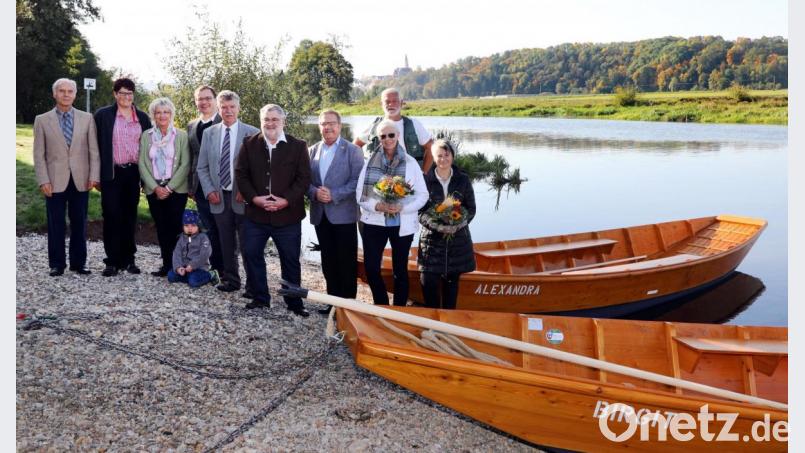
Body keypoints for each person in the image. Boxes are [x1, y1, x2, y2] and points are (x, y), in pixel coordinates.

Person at [235, 104, 312, 317]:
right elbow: (241, 174)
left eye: (274, 119)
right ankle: (261, 298)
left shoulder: (298, 146)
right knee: (251, 253)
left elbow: (304, 178)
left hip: (287, 216)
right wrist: (254, 199)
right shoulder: (249, 144)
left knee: (289, 260)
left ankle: (294, 303)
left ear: (283, 122)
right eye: (266, 119)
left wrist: (286, 200)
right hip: (256, 215)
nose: (270, 123)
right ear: (261, 121)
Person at [356, 119, 427, 306]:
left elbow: (423, 195)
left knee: (400, 271)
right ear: (378, 139)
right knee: (371, 268)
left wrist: (403, 207)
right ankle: (381, 305)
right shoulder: (369, 162)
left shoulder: (411, 163)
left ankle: (399, 309)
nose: (387, 139)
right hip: (374, 223)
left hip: (402, 225)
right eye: (383, 136)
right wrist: (377, 206)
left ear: (398, 136)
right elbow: (360, 195)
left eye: (391, 135)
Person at [33, 78, 100, 276]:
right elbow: (38, 154)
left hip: (81, 179)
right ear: (54, 94)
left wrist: (94, 176)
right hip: (54, 181)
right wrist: (43, 180)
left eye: (70, 91)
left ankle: (79, 264)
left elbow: (93, 151)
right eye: (61, 91)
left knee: (80, 223)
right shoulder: (42, 120)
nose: (66, 94)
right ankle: (57, 264)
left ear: (75, 94)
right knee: (56, 224)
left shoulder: (87, 118)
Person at [196, 90, 259, 294]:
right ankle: (231, 280)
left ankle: (253, 286)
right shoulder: (209, 133)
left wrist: (246, 191)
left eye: (232, 107)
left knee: (248, 243)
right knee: (226, 242)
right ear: (218, 108)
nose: (228, 110)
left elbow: (257, 169)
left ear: (238, 108)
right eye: (224, 107)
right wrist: (209, 190)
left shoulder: (252, 133)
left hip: (242, 197)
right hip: (219, 197)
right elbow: (202, 167)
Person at [307, 109, 365, 314]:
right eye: (323, 123)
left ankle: (348, 307)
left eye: (331, 123)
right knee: (328, 261)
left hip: (344, 215)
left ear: (340, 126)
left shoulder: (352, 151)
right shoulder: (312, 151)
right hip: (321, 215)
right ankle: (332, 304)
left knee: (347, 262)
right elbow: (305, 182)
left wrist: (334, 194)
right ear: (319, 127)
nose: (327, 127)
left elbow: (357, 182)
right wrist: (314, 193)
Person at [94, 78, 152, 277]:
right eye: (122, 93)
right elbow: (95, 147)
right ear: (115, 94)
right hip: (111, 173)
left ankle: (129, 260)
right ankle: (112, 261)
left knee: (129, 216)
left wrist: (147, 178)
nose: (126, 97)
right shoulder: (103, 115)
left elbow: (149, 148)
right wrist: (96, 175)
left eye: (130, 93)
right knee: (111, 215)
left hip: (133, 173)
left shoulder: (143, 118)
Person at [417, 139, 476, 309]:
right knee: (428, 285)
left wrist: (456, 225)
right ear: (434, 158)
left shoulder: (463, 180)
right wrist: (438, 226)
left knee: (451, 290)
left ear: (453, 156)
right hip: (431, 243)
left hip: (457, 244)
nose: (443, 159)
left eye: (446, 154)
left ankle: (448, 325)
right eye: (439, 156)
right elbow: (420, 211)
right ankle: (432, 326)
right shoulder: (425, 181)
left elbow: (470, 209)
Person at [138, 97, 190, 276]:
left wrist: (168, 188)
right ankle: (166, 265)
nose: (162, 115)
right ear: (153, 115)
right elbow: (143, 163)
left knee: (175, 227)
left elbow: (185, 164)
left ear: (171, 114)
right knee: (161, 227)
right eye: (158, 112)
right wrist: (155, 187)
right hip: (154, 190)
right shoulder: (147, 136)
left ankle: (178, 265)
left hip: (176, 190)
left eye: (166, 112)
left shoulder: (181, 135)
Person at [186, 85, 224, 273]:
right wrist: (190, 186)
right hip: (199, 185)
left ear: (215, 100)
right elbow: (192, 156)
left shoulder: (225, 122)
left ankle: (224, 269)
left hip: (220, 186)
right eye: (200, 99)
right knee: (208, 227)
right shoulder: (192, 125)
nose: (204, 102)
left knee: (222, 228)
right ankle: (212, 268)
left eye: (207, 98)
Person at [354, 87, 434, 173]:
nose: (391, 105)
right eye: (387, 102)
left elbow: (431, 147)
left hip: (408, 177)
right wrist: (363, 169)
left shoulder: (413, 124)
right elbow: (356, 145)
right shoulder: (374, 125)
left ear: (401, 103)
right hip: (379, 177)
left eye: (394, 101)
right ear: (382, 104)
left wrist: (423, 172)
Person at [168, 209, 220, 288]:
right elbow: (176, 253)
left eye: (193, 225)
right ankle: (188, 277)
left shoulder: (203, 238)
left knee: (194, 282)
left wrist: (192, 265)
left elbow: (205, 253)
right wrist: (178, 267)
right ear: (182, 226)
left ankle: (211, 274)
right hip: (185, 267)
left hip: (199, 268)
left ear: (198, 226)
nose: (189, 228)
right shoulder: (181, 238)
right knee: (171, 276)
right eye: (186, 226)